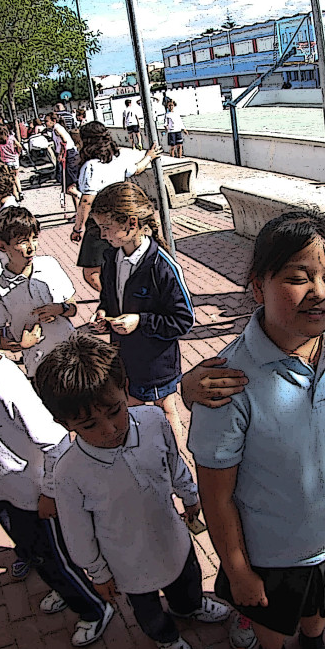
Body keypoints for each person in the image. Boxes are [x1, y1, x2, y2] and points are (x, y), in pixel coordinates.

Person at [189, 210, 325, 649]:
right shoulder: (227, 382)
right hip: (272, 549)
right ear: (257, 286)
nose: (319, 291)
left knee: (321, 601)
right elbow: (216, 492)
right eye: (298, 278)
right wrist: (236, 568)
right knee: (274, 621)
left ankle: (315, 642)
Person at [0, 291, 114, 646]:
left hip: (31, 498)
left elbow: (56, 442)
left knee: (51, 557)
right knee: (36, 554)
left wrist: (48, 492)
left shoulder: (9, 388)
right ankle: (66, 587)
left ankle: (93, 608)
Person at [35, 335, 232, 649]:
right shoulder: (68, 471)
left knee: (188, 580)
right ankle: (166, 638)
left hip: (173, 538)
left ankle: (191, 607)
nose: (110, 429)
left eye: (115, 411)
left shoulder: (154, 422)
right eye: (89, 425)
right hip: (126, 562)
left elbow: (174, 464)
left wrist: (190, 496)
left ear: (124, 387)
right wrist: (97, 572)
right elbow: (77, 532)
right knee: (148, 612)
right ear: (63, 423)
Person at [90, 181, 195, 464]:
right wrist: (103, 313)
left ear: (132, 223)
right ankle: (142, 459)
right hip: (124, 357)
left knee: (166, 409)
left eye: (107, 227)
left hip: (156, 361)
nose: (102, 234)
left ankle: (177, 462)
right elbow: (109, 296)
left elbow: (184, 320)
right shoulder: (112, 256)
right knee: (130, 408)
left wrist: (141, 321)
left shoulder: (163, 266)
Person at [71, 121, 161, 293]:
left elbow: (87, 201)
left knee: (91, 272)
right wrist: (149, 156)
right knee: (118, 263)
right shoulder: (118, 159)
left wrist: (78, 228)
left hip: (99, 222)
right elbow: (136, 169)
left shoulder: (90, 166)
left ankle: (116, 299)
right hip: (121, 217)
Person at [0, 205, 77, 381]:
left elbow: (73, 308)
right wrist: (20, 345)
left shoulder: (49, 265)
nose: (32, 247)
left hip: (72, 356)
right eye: (22, 241)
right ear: (1, 246)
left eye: (34, 238)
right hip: (38, 365)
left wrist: (60, 309)